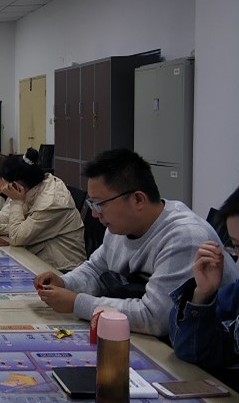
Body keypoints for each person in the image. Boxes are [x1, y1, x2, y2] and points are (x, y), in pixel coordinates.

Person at [35, 149, 239, 337]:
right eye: (92, 204)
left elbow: (155, 318)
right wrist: (65, 283)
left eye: (100, 204)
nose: (95, 214)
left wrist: (77, 303)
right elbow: (97, 268)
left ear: (138, 200)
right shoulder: (120, 227)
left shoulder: (185, 237)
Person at [169, 185, 239, 375]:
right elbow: (190, 351)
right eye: (236, 246)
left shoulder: (188, 232)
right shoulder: (235, 294)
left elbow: (153, 318)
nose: (96, 214)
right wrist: (202, 294)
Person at [0, 148, 85, 272]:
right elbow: (9, 222)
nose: (3, 189)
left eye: (5, 184)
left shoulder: (50, 203)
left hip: (63, 270)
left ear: (16, 185)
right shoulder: (33, 189)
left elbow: (17, 237)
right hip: (40, 261)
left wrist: (16, 201)